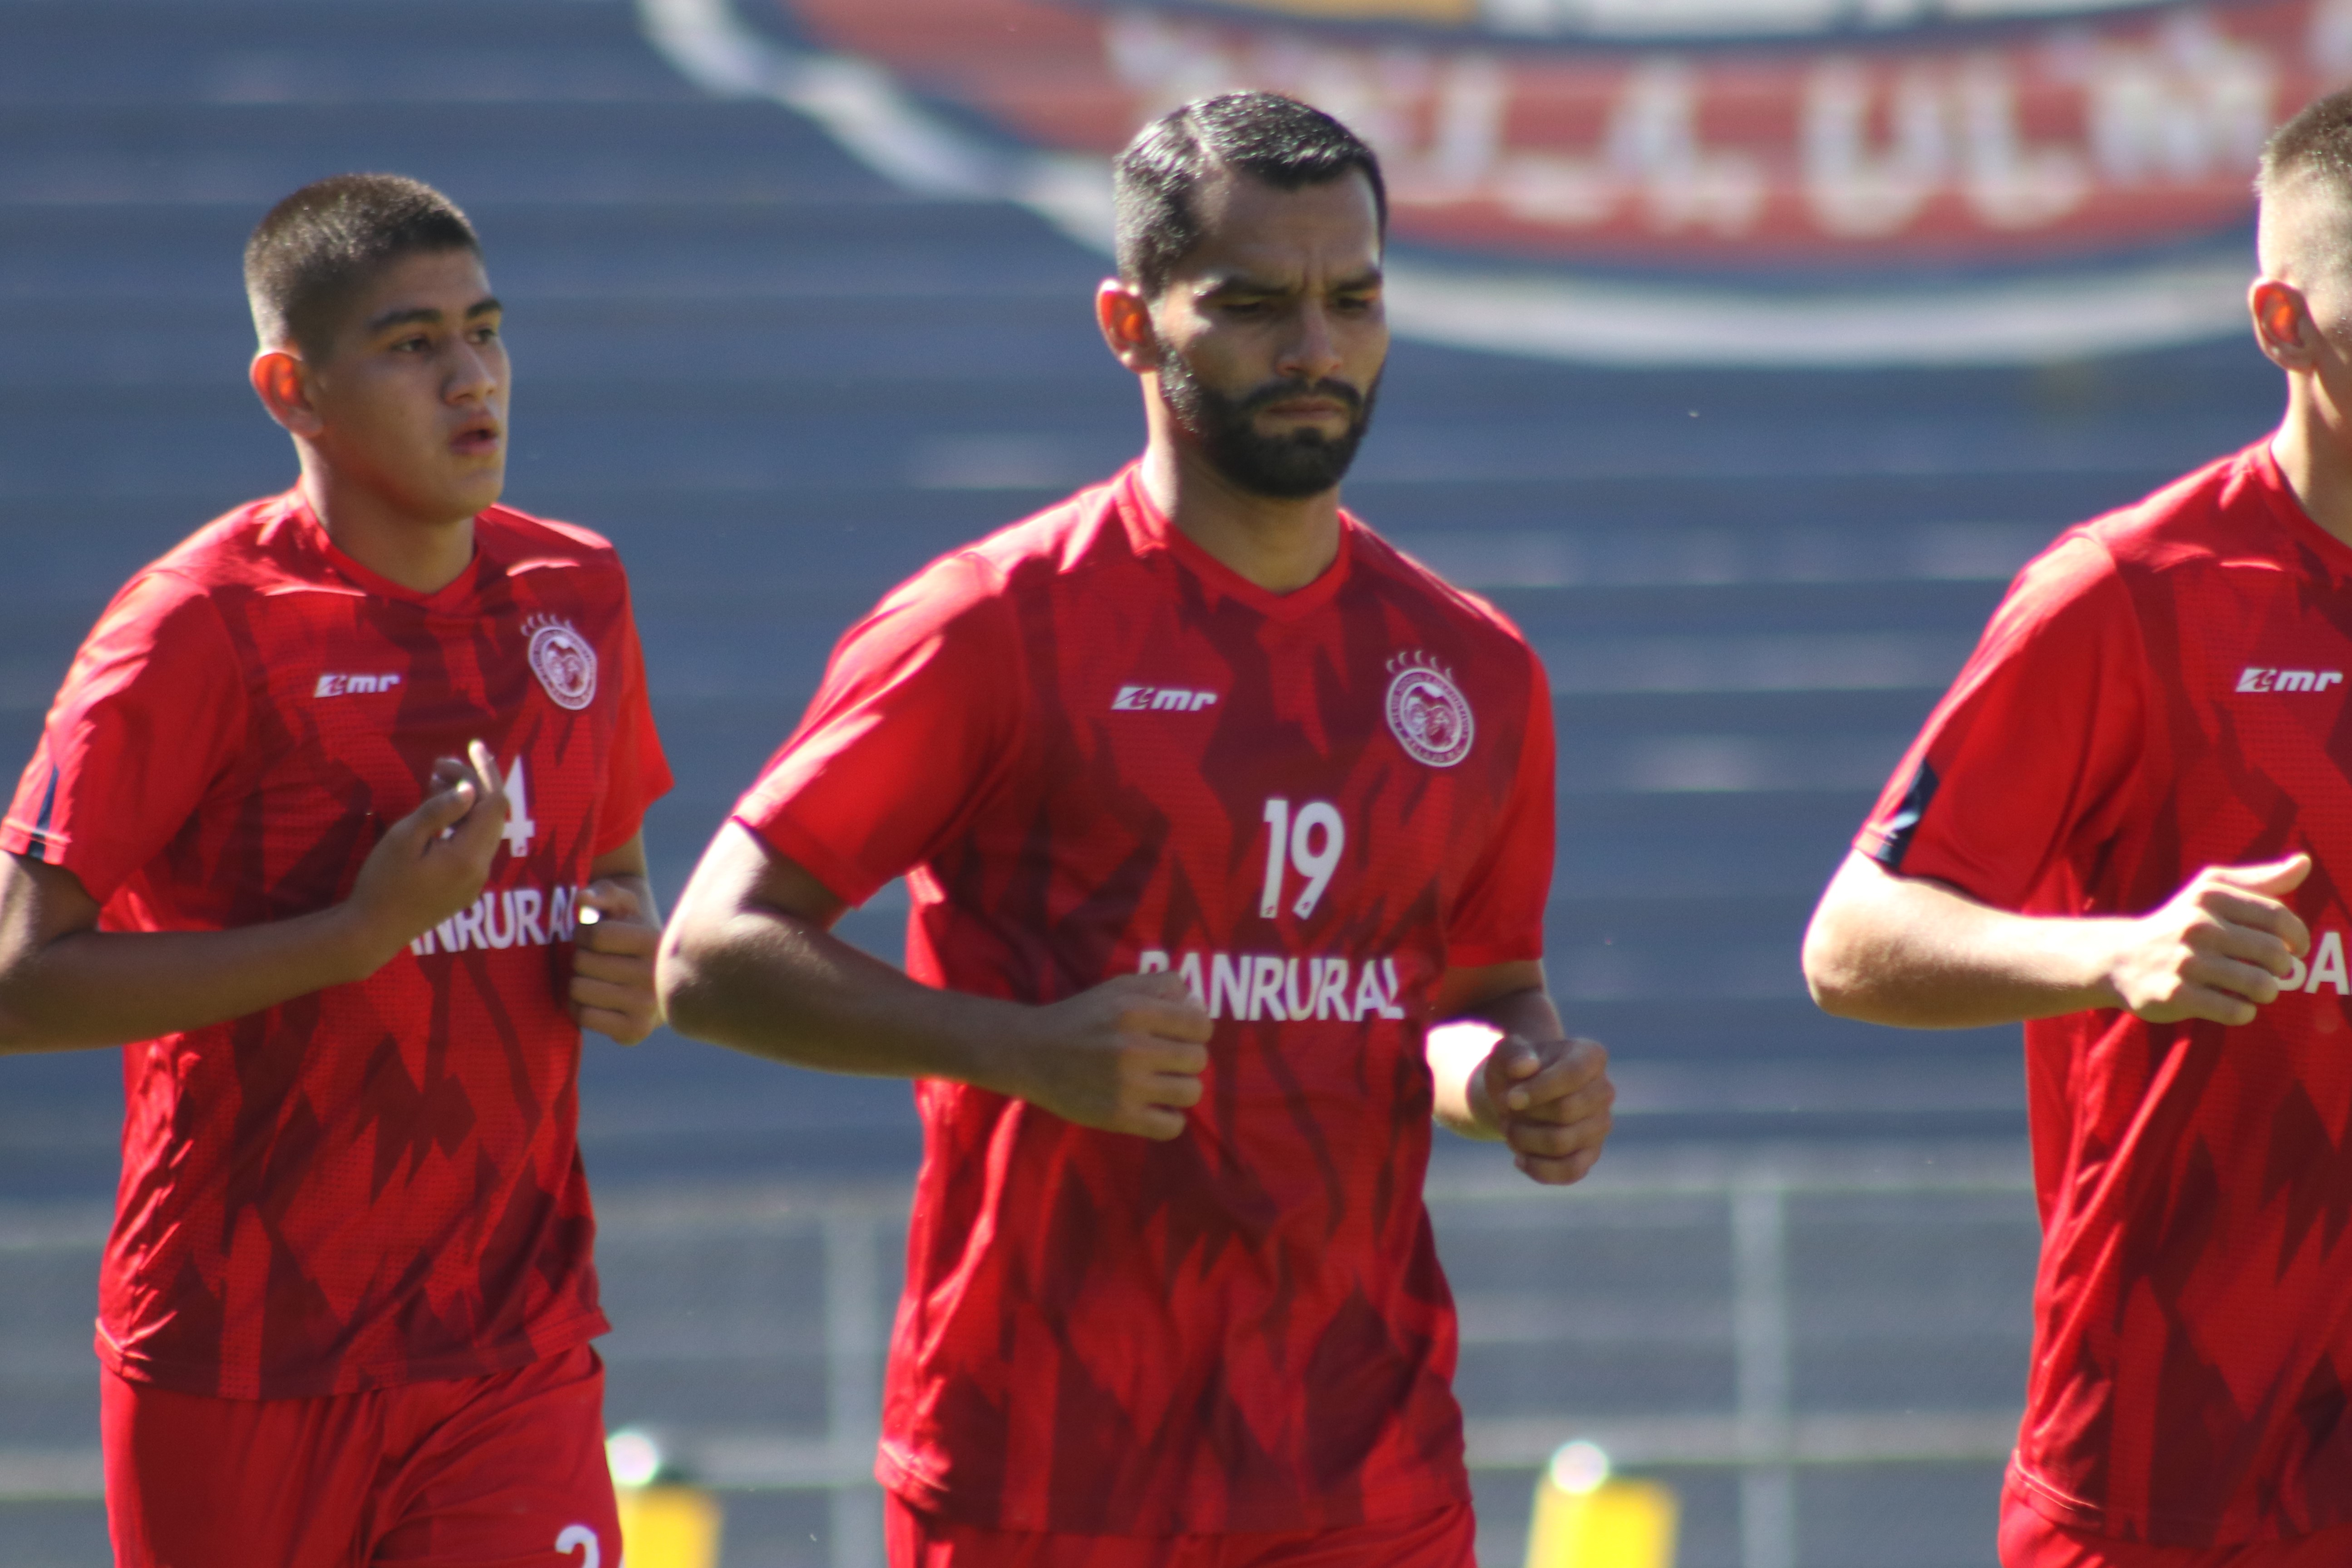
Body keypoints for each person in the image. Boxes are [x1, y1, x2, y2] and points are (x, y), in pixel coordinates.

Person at [658, 92, 1614, 1567]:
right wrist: (1016, 1048)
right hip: (1042, 1482)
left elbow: (1472, 989)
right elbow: (707, 956)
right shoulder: (995, 625)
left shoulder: (1475, 672)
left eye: (1351, 300)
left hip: (1363, 1482)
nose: (1314, 347)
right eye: (1252, 305)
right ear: (1127, 323)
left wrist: (1513, 1078)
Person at [0, 174, 672, 1567]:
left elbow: (618, 885)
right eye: (412, 345)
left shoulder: (576, 594)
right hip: (238, 1356)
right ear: (290, 390)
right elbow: (15, 985)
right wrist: (352, 937)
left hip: (510, 1345)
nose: (472, 376)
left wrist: (632, 963)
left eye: (484, 331)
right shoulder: (192, 631)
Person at [1802, 86, 2352, 1568]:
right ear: (2282, 319)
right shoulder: (2130, 592)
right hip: (2173, 1485)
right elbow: (1850, 944)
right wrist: (2119, 952)